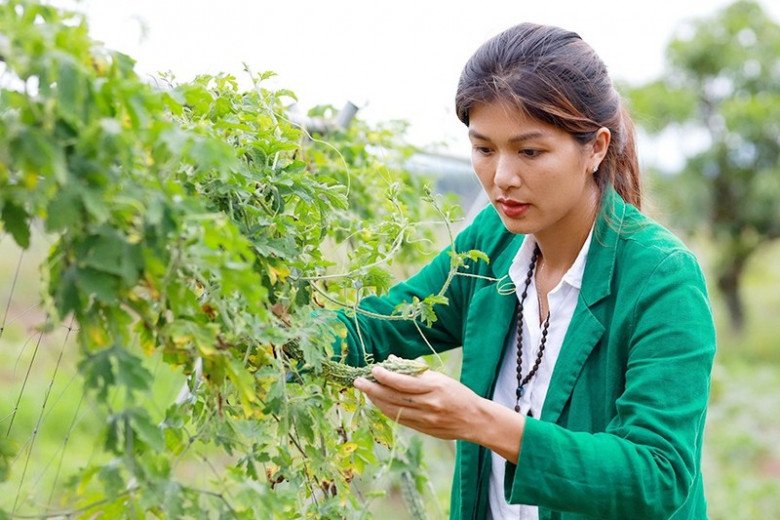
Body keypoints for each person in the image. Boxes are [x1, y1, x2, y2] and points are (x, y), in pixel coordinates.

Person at [338, 23, 716, 520]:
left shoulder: (662, 278)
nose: (502, 178)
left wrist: (479, 420)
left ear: (596, 148)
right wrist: (263, 331)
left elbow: (658, 473)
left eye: (530, 151)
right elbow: (379, 326)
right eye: (484, 148)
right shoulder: (491, 246)